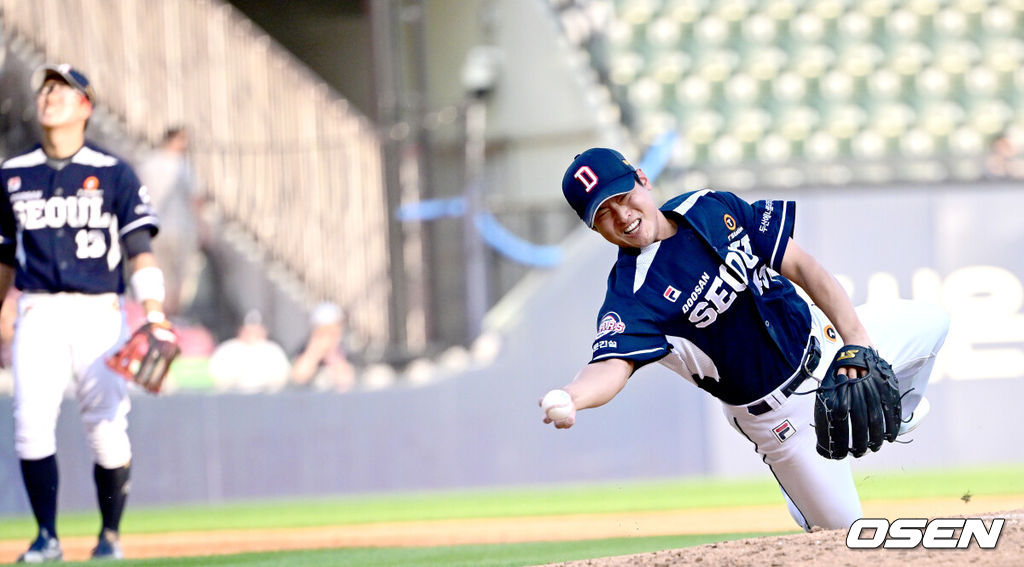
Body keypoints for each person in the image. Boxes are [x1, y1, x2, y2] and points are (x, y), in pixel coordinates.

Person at [540, 148, 950, 532]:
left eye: (623, 197)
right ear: (594, 228)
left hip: (825, 348)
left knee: (934, 323)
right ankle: (804, 494)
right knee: (844, 536)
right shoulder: (631, 296)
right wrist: (573, 396)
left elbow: (803, 267)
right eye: (604, 214)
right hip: (781, 419)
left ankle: (899, 414)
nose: (622, 216)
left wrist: (856, 345)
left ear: (642, 179)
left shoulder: (707, 205)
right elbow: (610, 366)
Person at [0, 63, 172, 561]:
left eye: (62, 89)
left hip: (100, 312)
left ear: (85, 107)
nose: (49, 96)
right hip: (39, 310)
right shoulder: (12, 174)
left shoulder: (114, 171)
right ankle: (47, 537)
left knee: (106, 426)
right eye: (45, 89)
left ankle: (109, 536)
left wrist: (155, 313)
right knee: (30, 421)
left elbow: (139, 247)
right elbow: (3, 257)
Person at [136, 126, 204, 318]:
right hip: (181, 229)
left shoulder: (147, 163)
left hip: (155, 229)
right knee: (181, 278)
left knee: (159, 275)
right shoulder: (183, 166)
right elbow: (196, 199)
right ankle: (172, 316)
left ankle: (159, 314)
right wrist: (202, 227)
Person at [208, 309, 291, 394]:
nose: (252, 333)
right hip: (233, 400)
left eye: (256, 329)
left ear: (264, 330)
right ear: (240, 330)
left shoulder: (273, 351)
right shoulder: (227, 350)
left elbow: (281, 381)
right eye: (248, 329)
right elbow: (217, 380)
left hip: (265, 401)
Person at [289, 302, 357, 392]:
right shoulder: (303, 350)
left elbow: (346, 382)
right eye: (325, 332)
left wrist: (334, 357)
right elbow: (298, 378)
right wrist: (315, 352)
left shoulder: (344, 351)